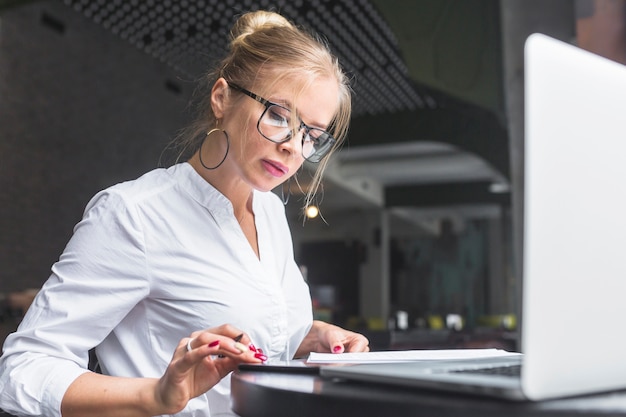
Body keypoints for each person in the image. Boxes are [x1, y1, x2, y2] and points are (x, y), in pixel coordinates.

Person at [0, 9, 369, 417]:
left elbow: (239, 331)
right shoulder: (134, 215)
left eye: (311, 135)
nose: (293, 147)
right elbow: (22, 371)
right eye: (279, 116)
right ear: (221, 97)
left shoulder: (269, 211)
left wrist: (308, 338)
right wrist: (155, 396)